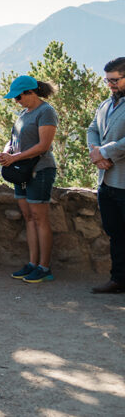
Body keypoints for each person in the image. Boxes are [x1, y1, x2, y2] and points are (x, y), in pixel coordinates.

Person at [0, 75, 59, 284]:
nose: (16, 101)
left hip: (40, 170)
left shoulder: (46, 112)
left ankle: (44, 266)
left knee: (39, 217)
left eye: (18, 97)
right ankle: (32, 263)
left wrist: (14, 157)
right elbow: (13, 139)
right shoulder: (24, 113)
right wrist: (6, 152)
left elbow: (43, 145)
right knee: (28, 216)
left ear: (30, 93)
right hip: (21, 170)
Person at [87, 57, 125, 294]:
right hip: (106, 183)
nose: (110, 84)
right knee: (115, 235)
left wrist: (105, 151)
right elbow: (92, 129)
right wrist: (95, 153)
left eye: (115, 80)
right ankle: (118, 279)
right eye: (107, 80)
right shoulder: (105, 105)